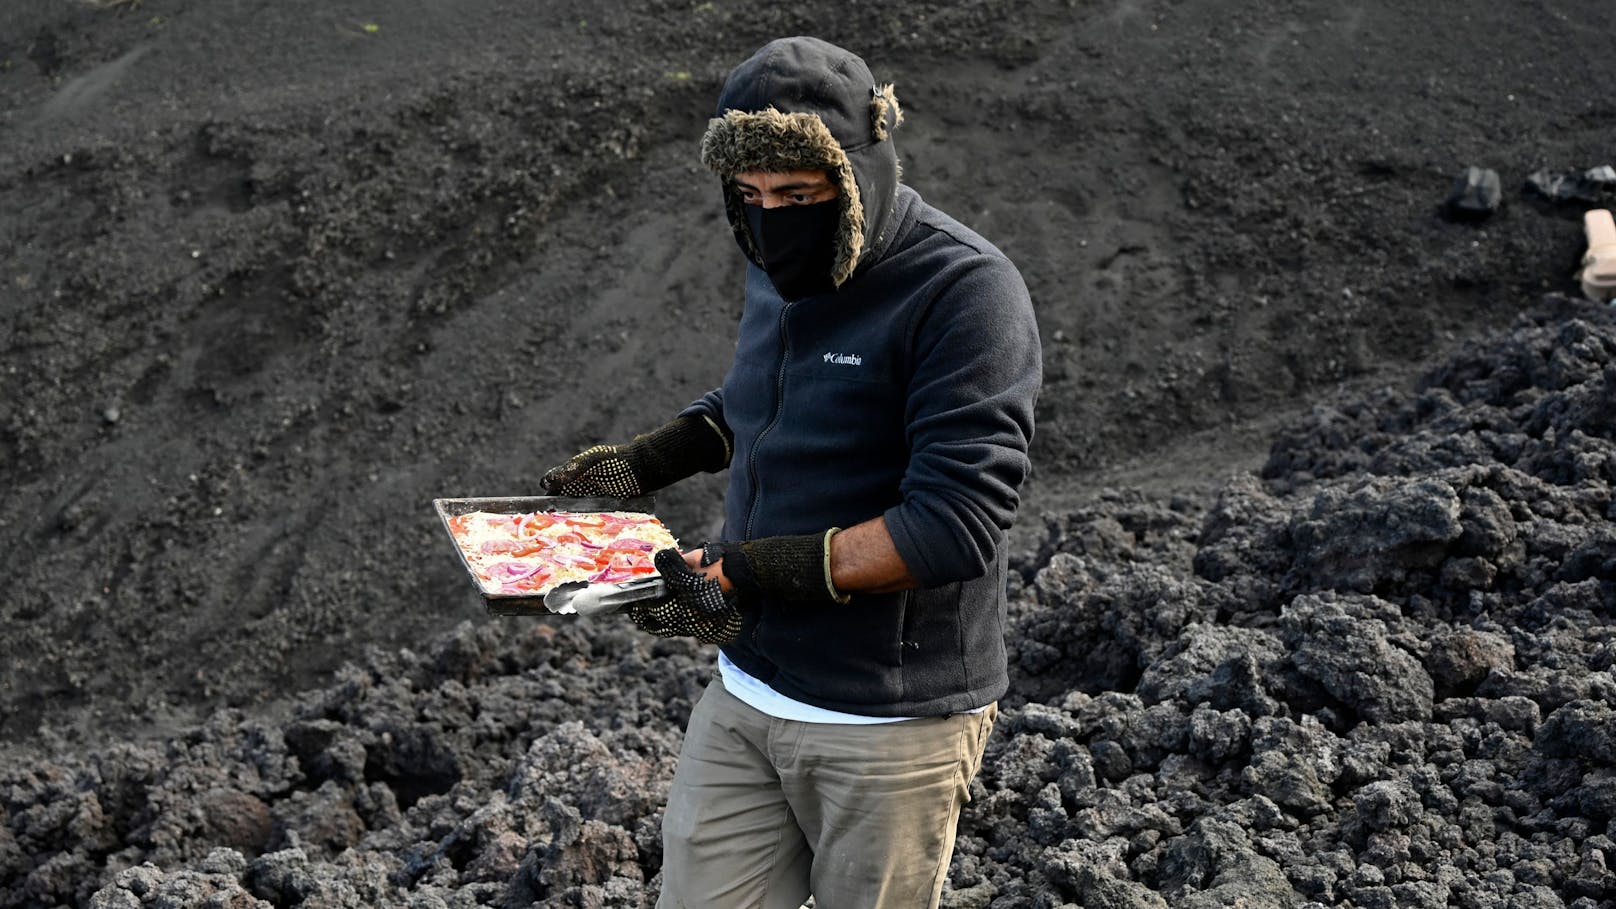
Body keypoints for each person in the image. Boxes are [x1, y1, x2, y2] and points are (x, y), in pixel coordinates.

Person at [541, 35, 1041, 909]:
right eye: (752, 195)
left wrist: (746, 570)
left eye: (799, 196)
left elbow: (955, 523)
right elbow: (761, 398)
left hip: (888, 719)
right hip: (749, 687)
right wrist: (646, 462)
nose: (773, 219)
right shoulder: (778, 261)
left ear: (861, 175)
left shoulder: (964, 292)